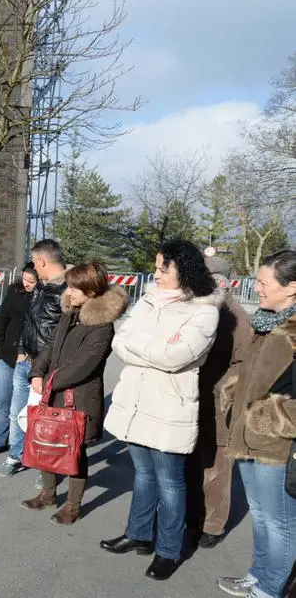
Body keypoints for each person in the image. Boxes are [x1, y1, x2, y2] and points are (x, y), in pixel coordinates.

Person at [101, 239, 222, 582]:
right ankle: (139, 534)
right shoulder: (150, 298)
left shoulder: (204, 310)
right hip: (137, 403)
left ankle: (168, 550)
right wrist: (155, 347)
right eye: (156, 267)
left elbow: (178, 356)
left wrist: (143, 346)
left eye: (162, 268)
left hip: (169, 407)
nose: (156, 273)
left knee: (171, 482)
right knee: (143, 474)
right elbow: (120, 340)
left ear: (183, 270)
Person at [22, 262, 128, 525]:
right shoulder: (71, 312)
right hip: (54, 389)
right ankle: (48, 494)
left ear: (91, 290)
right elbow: (49, 345)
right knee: (47, 442)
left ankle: (73, 505)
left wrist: (48, 381)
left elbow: (84, 364)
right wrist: (37, 371)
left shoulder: (102, 325)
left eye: (74, 287)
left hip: (80, 397)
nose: (68, 291)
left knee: (74, 451)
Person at [217, 249, 295, 598]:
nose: (257, 288)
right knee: (262, 519)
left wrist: (268, 418)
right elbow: (250, 371)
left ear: (291, 286)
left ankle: (269, 589)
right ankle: (259, 575)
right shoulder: (267, 321)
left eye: (264, 283)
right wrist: (233, 389)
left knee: (280, 524)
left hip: (277, 446)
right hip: (247, 436)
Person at [185, 254, 252, 549]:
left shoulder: (236, 318)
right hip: (190, 399)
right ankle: (191, 514)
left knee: (217, 466)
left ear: (221, 283)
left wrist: (223, 388)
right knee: (191, 460)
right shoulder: (196, 310)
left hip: (218, 404)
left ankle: (213, 523)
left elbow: (244, 363)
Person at [0, 239, 67, 479]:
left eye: (35, 264)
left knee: (45, 420)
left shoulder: (68, 291)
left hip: (47, 367)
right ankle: (15, 456)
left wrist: (46, 365)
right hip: (25, 362)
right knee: (17, 413)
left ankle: (44, 468)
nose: (33, 269)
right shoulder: (41, 287)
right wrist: (19, 350)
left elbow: (61, 334)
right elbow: (29, 321)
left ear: (42, 261)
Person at [0, 262, 38, 454]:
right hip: (5, 352)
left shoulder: (42, 297)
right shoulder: (14, 290)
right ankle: (0, 439)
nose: (26, 283)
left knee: (19, 405)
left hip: (26, 356)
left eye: (31, 281)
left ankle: (19, 442)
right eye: (24, 278)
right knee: (0, 398)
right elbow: (2, 317)